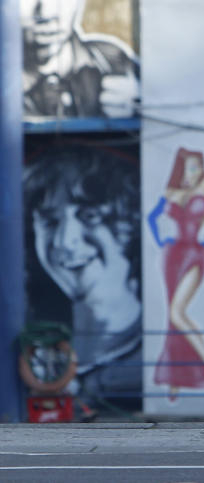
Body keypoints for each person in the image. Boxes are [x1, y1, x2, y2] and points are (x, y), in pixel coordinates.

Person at [23, 144, 142, 411]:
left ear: (131, 223)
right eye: (49, 221)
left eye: (90, 217)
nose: (65, 242)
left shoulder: (162, 354)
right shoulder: (35, 344)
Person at [147, 148, 204, 400]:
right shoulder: (171, 192)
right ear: (180, 169)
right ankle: (175, 381)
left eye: (198, 167)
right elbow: (151, 217)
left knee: (177, 313)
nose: (194, 172)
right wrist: (160, 241)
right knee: (172, 318)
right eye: (190, 167)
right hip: (172, 255)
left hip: (195, 253)